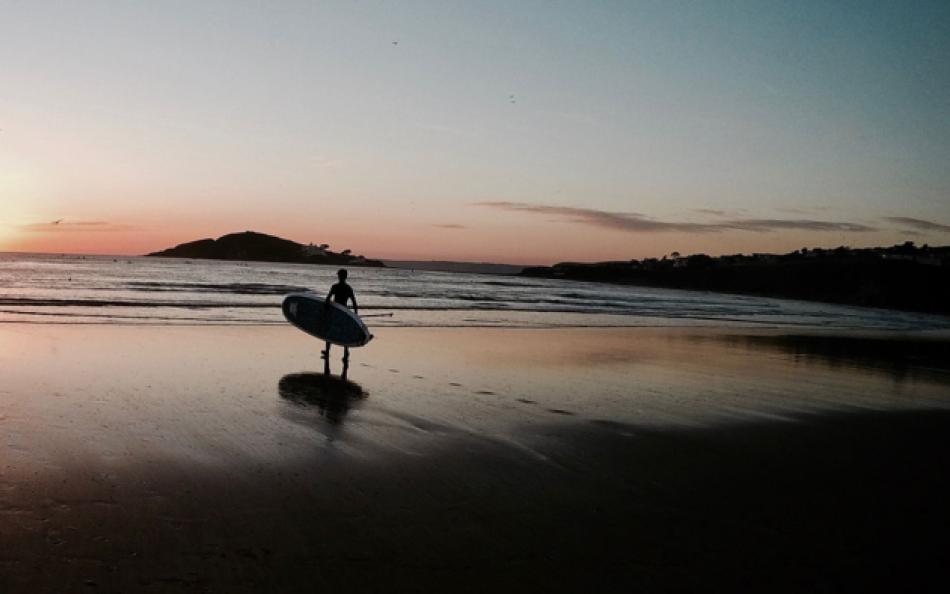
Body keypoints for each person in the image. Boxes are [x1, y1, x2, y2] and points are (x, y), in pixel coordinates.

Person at [323, 269, 358, 371]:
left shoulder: (335, 287)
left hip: (335, 312)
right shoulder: (348, 288)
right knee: (344, 332)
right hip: (344, 312)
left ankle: (327, 351)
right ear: (346, 277)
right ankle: (346, 352)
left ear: (339, 276)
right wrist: (355, 316)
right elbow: (354, 302)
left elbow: (327, 299)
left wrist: (325, 311)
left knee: (329, 331)